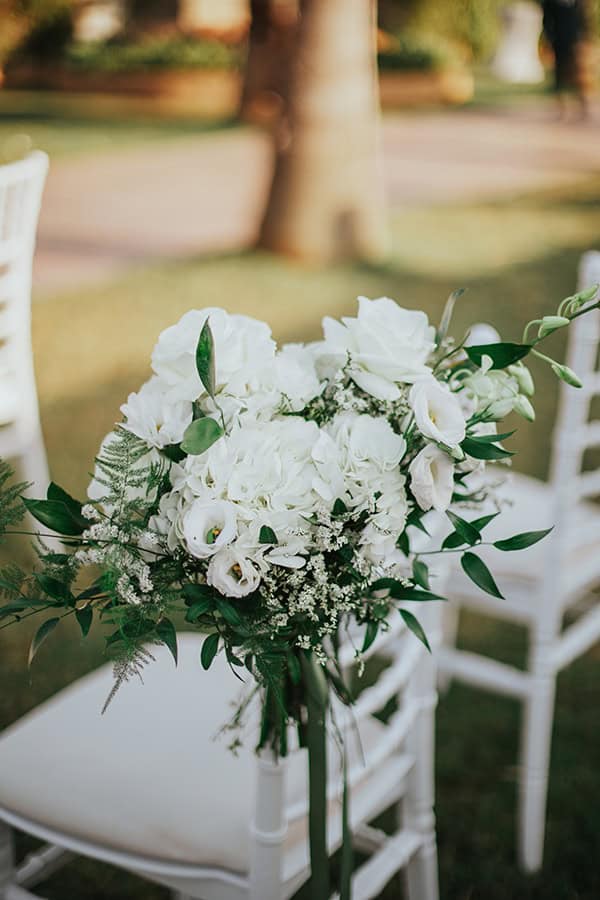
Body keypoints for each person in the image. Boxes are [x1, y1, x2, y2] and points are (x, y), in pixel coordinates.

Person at [542, 0, 592, 119]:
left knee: (580, 76)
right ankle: (561, 108)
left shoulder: (577, 2)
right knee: (559, 76)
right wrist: (549, 40)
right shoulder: (550, 3)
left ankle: (583, 107)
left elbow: (583, 19)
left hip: (575, 41)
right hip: (558, 42)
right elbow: (547, 21)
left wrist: (584, 38)